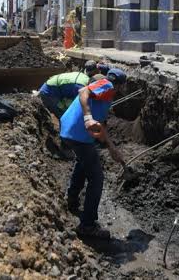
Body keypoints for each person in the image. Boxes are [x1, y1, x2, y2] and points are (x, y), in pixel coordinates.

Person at [60, 68, 127, 239]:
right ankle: (87, 226)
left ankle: (71, 200)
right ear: (120, 85)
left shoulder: (105, 97)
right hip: (78, 134)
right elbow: (83, 91)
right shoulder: (107, 85)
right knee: (97, 178)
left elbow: (101, 126)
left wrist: (112, 148)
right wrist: (88, 116)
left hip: (71, 132)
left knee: (82, 164)